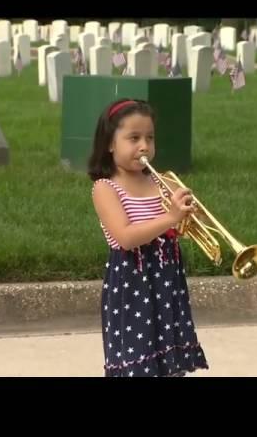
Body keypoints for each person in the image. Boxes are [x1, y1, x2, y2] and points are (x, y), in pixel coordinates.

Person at [88, 98, 209, 377]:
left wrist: (192, 216)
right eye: (134, 138)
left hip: (167, 277)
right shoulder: (105, 188)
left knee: (169, 352)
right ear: (109, 143)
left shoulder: (163, 181)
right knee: (137, 355)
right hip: (132, 281)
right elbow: (126, 238)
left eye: (150, 138)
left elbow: (181, 228)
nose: (144, 146)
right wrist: (170, 218)